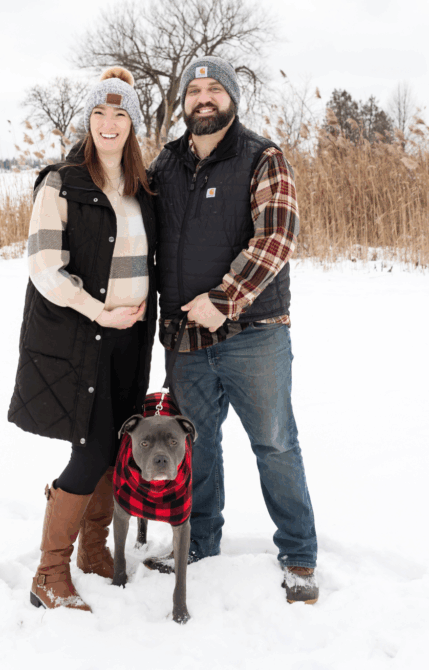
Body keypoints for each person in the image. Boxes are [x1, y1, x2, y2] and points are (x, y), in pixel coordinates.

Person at [147, 55, 318, 604]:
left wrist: (226, 299)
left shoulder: (262, 156)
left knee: (274, 442)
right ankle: (199, 541)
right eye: (193, 89)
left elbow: (277, 237)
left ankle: (298, 553)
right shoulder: (165, 165)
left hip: (255, 334)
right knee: (197, 445)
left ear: (232, 98)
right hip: (187, 339)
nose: (202, 97)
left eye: (213, 89)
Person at [8, 67, 157, 611]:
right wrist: (100, 313)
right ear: (87, 120)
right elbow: (45, 267)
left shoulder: (143, 187)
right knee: (91, 449)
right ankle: (49, 573)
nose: (109, 123)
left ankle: (94, 553)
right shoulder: (62, 181)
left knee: (113, 448)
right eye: (99, 112)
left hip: (129, 342)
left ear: (134, 124)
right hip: (84, 339)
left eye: (120, 113)